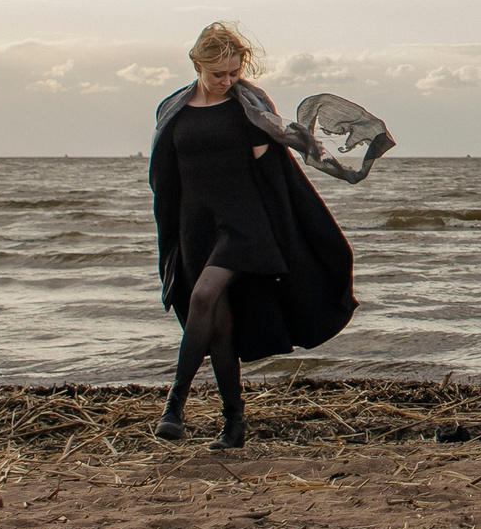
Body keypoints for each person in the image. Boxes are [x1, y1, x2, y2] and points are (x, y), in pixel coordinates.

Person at [147, 22, 362, 450]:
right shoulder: (171, 108)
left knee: (204, 297)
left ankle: (175, 405)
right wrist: (169, 233)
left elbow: (272, 172)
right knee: (219, 327)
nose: (228, 81)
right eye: (218, 75)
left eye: (234, 72)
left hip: (242, 224)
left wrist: (285, 233)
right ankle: (234, 425)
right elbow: (166, 177)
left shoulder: (249, 106)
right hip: (196, 227)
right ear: (197, 65)